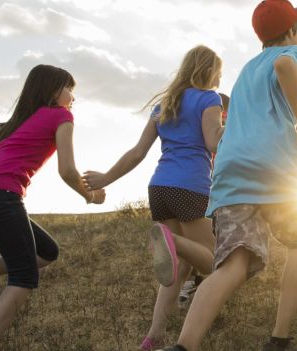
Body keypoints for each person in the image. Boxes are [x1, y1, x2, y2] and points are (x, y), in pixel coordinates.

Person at [161, 0, 297, 351]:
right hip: (276, 167)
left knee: (233, 264)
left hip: (231, 170)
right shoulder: (293, 54)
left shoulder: (247, 69)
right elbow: (283, 64)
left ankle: (183, 346)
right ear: (292, 31)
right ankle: (279, 338)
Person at [83, 45, 223, 350]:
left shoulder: (165, 104)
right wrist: (237, 127)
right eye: (218, 72)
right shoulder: (209, 99)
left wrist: (106, 178)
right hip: (191, 187)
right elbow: (213, 141)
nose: (219, 78)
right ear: (209, 70)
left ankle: (153, 337)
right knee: (219, 265)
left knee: (178, 267)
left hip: (159, 188)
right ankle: (171, 242)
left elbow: (137, 153)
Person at [0, 64, 106, 351]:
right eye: (70, 88)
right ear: (53, 90)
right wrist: (90, 195)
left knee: (46, 251)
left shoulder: (21, 120)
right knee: (24, 277)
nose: (73, 96)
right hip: (0, 196)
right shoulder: (62, 116)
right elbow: (67, 170)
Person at [178, 92, 229, 311]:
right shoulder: (216, 126)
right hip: (209, 189)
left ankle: (196, 284)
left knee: (203, 241)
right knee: (205, 241)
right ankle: (195, 284)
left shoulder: (218, 128)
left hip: (210, 189)